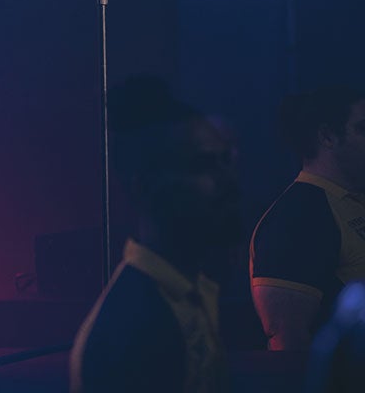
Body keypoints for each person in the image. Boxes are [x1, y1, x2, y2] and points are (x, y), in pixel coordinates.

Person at [69, 75, 240, 392]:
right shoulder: (130, 329)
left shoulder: (188, 291)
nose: (227, 180)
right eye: (202, 165)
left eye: (226, 161)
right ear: (145, 187)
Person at [250, 85, 365, 351]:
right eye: (363, 128)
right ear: (327, 136)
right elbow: (288, 340)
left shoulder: (349, 201)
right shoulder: (297, 218)